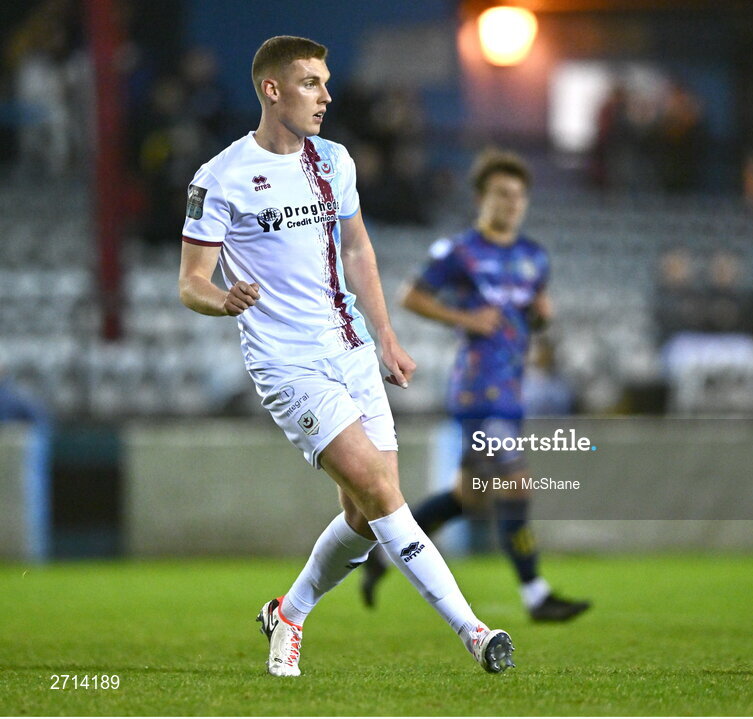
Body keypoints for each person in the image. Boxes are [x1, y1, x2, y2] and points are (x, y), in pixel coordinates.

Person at [177, 36, 514, 678]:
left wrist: (385, 334)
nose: (327, 96)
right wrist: (221, 301)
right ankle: (475, 632)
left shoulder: (334, 161)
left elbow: (357, 249)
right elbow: (190, 280)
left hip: (352, 349)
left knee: (362, 514)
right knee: (384, 493)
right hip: (287, 364)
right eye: (311, 83)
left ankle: (289, 611)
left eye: (327, 83)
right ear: (272, 90)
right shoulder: (218, 178)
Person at [360, 149, 591, 622]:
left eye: (519, 196)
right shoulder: (459, 251)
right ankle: (536, 594)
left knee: (469, 496)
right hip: (477, 387)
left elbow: (531, 316)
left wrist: (542, 319)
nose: (512, 204)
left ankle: (381, 554)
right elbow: (411, 296)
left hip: (511, 387)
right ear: (482, 198)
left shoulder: (533, 257)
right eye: (502, 194)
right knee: (516, 480)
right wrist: (465, 317)